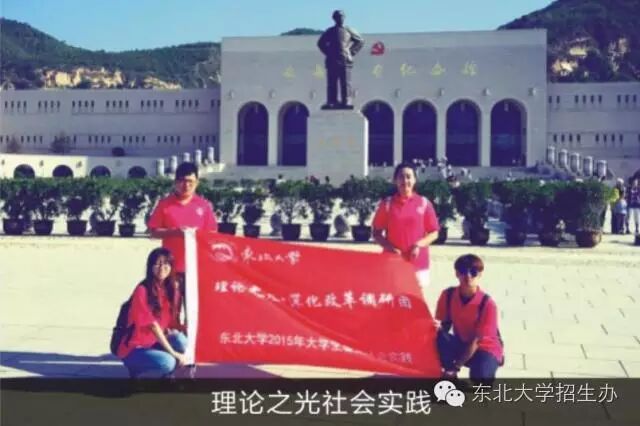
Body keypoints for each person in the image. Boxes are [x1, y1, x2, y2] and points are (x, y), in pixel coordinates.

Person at [117, 248, 187, 378]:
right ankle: (135, 367)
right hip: (135, 348)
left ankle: (165, 371)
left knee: (181, 341)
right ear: (150, 267)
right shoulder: (142, 290)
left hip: (153, 342)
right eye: (157, 264)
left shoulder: (168, 288)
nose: (162, 268)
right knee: (168, 362)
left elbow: (168, 321)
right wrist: (174, 353)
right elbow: (153, 326)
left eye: (166, 264)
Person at [435, 254, 503, 384]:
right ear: (456, 273)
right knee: (436, 336)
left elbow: (477, 341)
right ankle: (449, 375)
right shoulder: (448, 295)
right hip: (462, 342)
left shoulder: (487, 303)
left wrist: (456, 366)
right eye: (463, 271)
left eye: (473, 272)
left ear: (480, 274)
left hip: (485, 347)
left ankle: (492, 362)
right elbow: (443, 325)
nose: (468, 276)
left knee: (481, 378)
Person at [372, 162, 440, 289]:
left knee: (414, 299)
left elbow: (434, 233)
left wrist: (419, 245)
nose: (405, 181)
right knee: (393, 299)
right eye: (401, 177)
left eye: (409, 177)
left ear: (415, 180)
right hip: (393, 262)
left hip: (418, 264)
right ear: (395, 180)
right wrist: (390, 248)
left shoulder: (424, 203)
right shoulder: (387, 204)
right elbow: (376, 233)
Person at [148, 162, 218, 276]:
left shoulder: (204, 206)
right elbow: (153, 232)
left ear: (197, 183)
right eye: (182, 181)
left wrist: (198, 234)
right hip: (170, 267)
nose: (186, 185)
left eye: (190, 182)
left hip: (197, 267)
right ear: (175, 182)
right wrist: (175, 232)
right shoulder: (164, 205)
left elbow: (212, 234)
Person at [317, 10, 364, 109]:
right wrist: (329, 53)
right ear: (334, 19)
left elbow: (360, 41)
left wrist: (351, 52)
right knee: (332, 82)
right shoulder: (330, 31)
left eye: (342, 16)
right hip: (332, 60)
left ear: (344, 18)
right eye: (338, 17)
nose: (340, 18)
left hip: (345, 60)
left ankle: (346, 101)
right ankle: (331, 101)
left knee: (345, 82)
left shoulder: (349, 30)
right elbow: (320, 43)